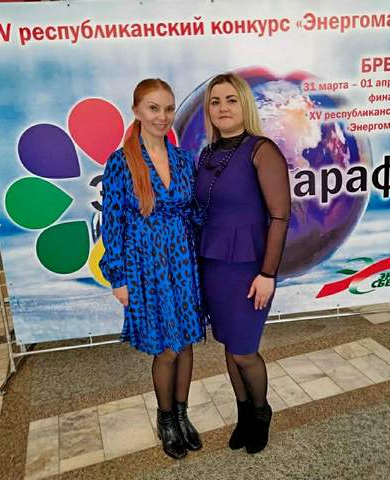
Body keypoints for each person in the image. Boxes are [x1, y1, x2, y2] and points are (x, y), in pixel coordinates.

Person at [100, 78, 205, 460]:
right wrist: (118, 276)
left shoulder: (183, 160)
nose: (162, 116)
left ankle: (183, 414)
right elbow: (112, 223)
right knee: (166, 348)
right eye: (153, 108)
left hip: (184, 262)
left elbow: (195, 213)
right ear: (137, 111)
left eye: (168, 108)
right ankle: (166, 419)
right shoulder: (120, 162)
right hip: (146, 267)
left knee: (186, 342)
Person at [195, 73, 291, 454]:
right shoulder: (207, 155)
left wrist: (268, 274)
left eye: (231, 100)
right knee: (229, 344)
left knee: (244, 350)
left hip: (250, 268)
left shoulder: (262, 150)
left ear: (244, 104)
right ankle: (244, 415)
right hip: (214, 265)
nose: (223, 108)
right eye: (215, 101)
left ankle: (261, 412)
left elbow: (280, 216)